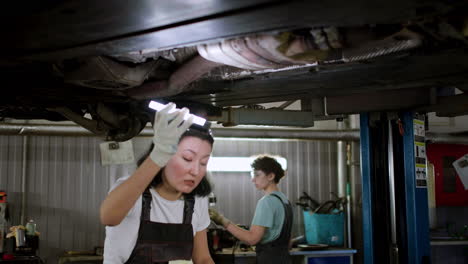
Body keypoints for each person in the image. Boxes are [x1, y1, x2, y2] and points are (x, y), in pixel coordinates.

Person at [100, 103, 215, 264]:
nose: (195, 171)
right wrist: (157, 157)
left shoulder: (196, 200)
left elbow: (202, 258)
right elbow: (108, 217)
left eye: (203, 162)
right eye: (187, 158)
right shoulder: (133, 191)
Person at [209, 155, 293, 264]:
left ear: (271, 176)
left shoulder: (267, 202)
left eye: (257, 175)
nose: (253, 179)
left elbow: (252, 239)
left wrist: (222, 221)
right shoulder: (285, 201)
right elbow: (289, 241)